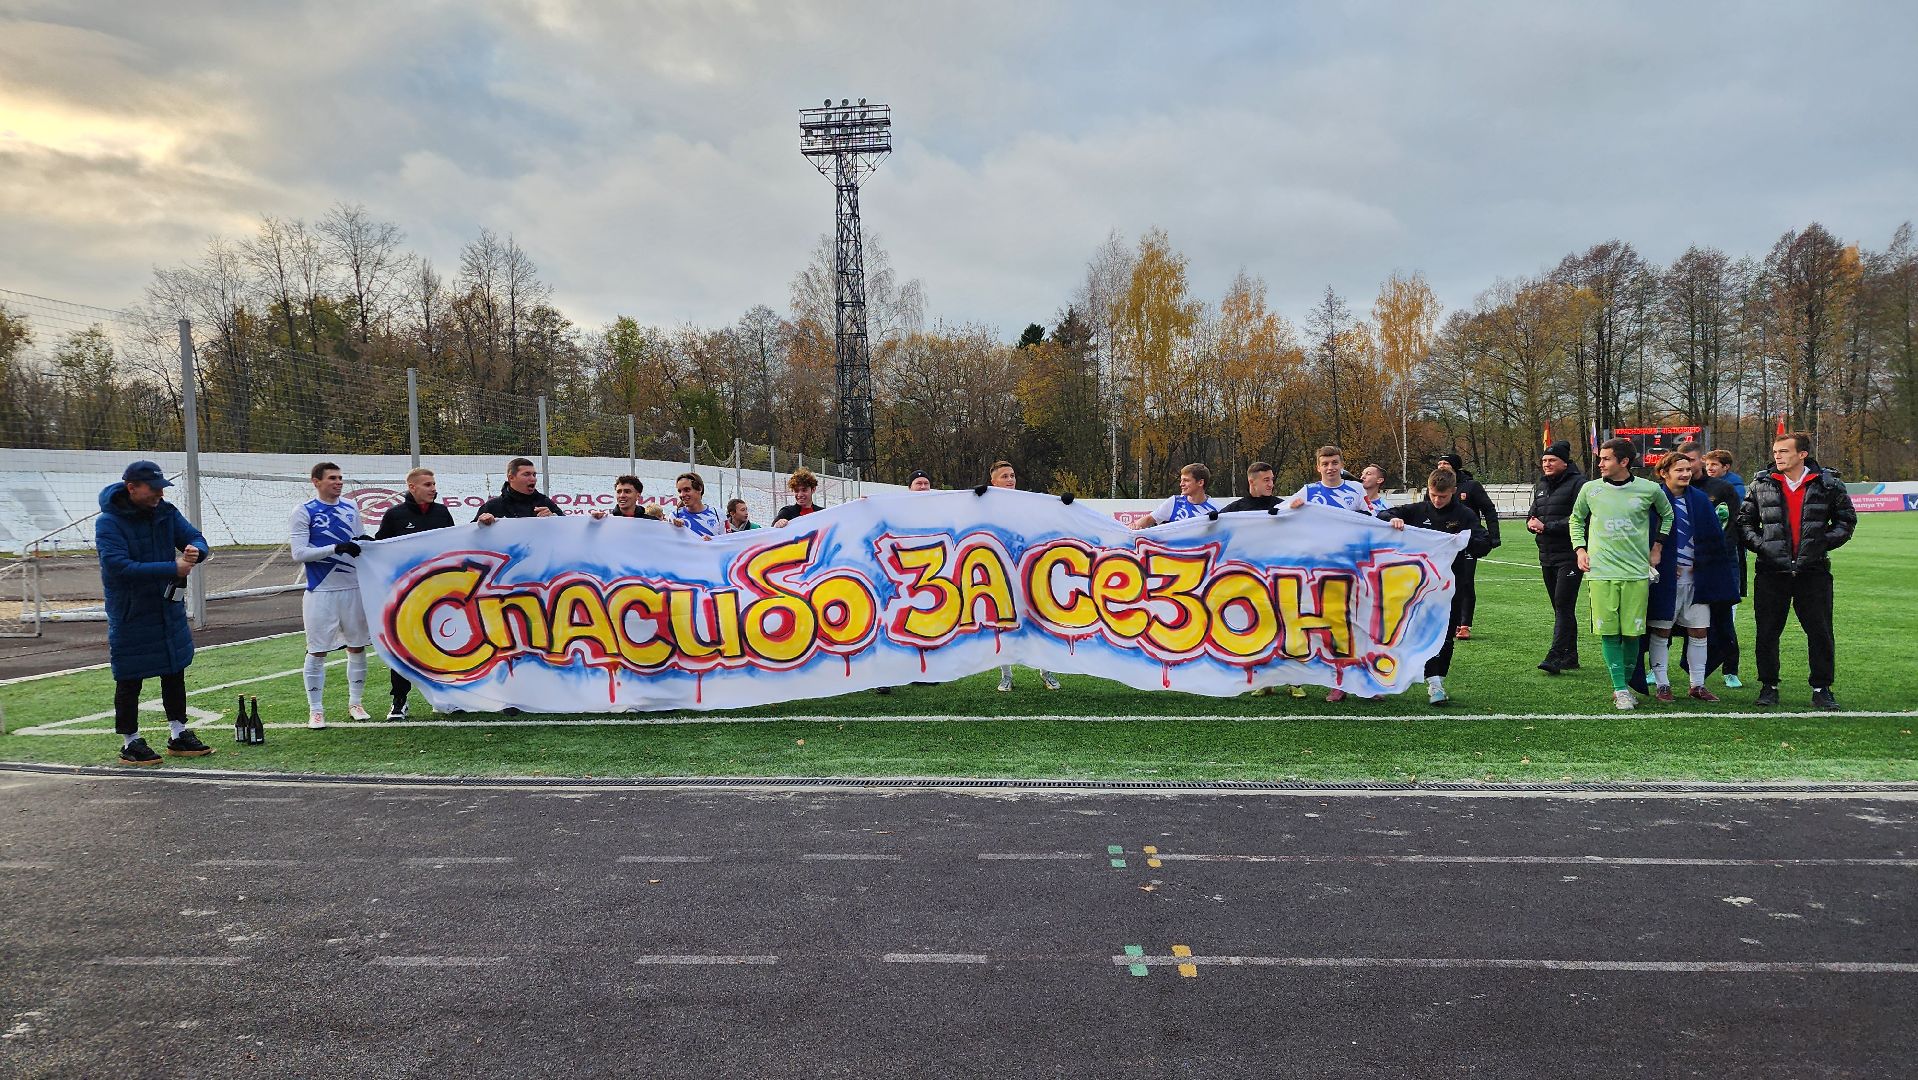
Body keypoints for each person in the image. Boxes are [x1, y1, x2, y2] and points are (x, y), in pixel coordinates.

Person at [96, 460, 214, 765]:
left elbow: (196, 537)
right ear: (132, 487)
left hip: (166, 605)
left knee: (174, 668)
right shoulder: (108, 522)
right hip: (132, 610)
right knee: (129, 675)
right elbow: (118, 566)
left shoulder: (166, 511)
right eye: (153, 488)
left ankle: (179, 734)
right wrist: (171, 567)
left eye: (162, 488)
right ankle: (130, 741)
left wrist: (195, 550)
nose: (159, 494)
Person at [1737, 431, 1856, 710]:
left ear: (1802, 454)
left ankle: (1821, 688)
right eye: (1776, 451)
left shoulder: (1828, 484)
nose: (1777, 456)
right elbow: (1744, 523)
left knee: (1820, 632)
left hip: (1813, 571)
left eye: (1784, 451)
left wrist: (1821, 543)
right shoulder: (1760, 483)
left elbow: (1846, 520)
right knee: (1767, 632)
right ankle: (1769, 686)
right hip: (1770, 571)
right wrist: (1764, 547)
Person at [1569, 437, 1670, 711]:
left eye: (1606, 459)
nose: (1600, 463)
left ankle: (1624, 684)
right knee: (1609, 633)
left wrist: (1657, 547)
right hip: (1600, 572)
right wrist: (1580, 550)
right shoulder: (1590, 489)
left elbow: (1668, 515)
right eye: (1600, 458)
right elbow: (1576, 519)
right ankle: (1620, 688)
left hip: (1636, 573)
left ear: (1624, 462)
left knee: (1632, 634)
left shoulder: (1649, 489)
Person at [1381, 469, 1492, 706]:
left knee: (1446, 634)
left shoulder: (1465, 515)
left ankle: (1436, 682)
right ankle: (1415, 674)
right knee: (1413, 631)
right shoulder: (1417, 510)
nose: (1436, 500)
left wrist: (1465, 540)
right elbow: (1382, 514)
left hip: (1452, 584)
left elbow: (1484, 543)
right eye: (1432, 495)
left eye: (1442, 496)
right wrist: (1393, 518)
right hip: (1419, 586)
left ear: (1453, 491)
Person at [1646, 452, 1738, 703]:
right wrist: (1664, 564)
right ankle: (1662, 684)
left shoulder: (1699, 500)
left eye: (1688, 469)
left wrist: (1705, 567)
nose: (1686, 474)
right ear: (1664, 473)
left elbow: (1713, 539)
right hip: (1664, 580)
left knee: (1700, 631)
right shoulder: (1652, 500)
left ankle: (1697, 684)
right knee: (1661, 631)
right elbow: (1643, 536)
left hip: (1697, 580)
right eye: (1679, 470)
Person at [291, 462, 373, 729]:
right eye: (332, 478)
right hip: (321, 590)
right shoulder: (304, 511)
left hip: (353, 588)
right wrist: (336, 548)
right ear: (316, 481)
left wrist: (366, 541)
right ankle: (316, 710)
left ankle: (356, 703)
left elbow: (358, 538)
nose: (338, 482)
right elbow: (299, 553)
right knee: (317, 651)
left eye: (340, 478)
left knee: (357, 645)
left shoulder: (351, 507)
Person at [373, 467, 455, 719]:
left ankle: (444, 696)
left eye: (434, 483)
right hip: (406, 594)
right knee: (402, 646)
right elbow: (379, 548)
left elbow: (454, 544)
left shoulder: (442, 513)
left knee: (445, 643)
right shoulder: (395, 515)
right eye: (428, 484)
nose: (433, 488)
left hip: (438, 592)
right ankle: (399, 700)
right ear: (412, 487)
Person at [986, 460, 1060, 692]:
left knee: (1038, 621)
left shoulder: (1027, 502)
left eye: (1012, 475)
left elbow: (1050, 515)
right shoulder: (984, 504)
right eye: (1005, 476)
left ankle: (1046, 671)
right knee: (1003, 623)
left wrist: (1065, 505)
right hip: (999, 572)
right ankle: (1006, 675)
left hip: (1028, 571)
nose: (1010, 480)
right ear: (993, 481)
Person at [1526, 440, 1587, 675]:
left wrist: (1548, 526)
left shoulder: (1579, 484)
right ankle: (1570, 656)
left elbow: (1580, 518)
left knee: (1563, 604)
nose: (1546, 464)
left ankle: (1556, 656)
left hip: (1571, 554)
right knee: (1561, 607)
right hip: (1546, 554)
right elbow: (1535, 512)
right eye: (1544, 461)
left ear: (1564, 462)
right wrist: (1531, 523)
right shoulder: (1541, 486)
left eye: (1551, 460)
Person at [1435, 453, 1502, 640]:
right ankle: (1448, 622)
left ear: (1455, 467)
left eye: (1445, 463)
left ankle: (1464, 625)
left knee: (1465, 582)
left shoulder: (1471, 486)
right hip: (1443, 543)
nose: (1441, 465)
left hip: (1467, 542)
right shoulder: (1434, 486)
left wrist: (1493, 536)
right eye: (1439, 462)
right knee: (1441, 582)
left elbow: (1488, 509)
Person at [1701, 449, 1748, 688]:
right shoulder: (1696, 487)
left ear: (1726, 467)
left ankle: (1731, 669)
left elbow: (1735, 526)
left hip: (1727, 561)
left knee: (1725, 618)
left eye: (1714, 464)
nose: (1709, 468)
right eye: (1707, 464)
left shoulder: (1732, 489)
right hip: (1701, 562)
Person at [476, 457, 564, 522]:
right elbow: (471, 535)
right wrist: (481, 524)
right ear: (511, 478)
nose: (533, 479)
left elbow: (567, 526)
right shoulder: (493, 506)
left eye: (534, 475)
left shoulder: (544, 502)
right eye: (527, 474)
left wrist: (553, 518)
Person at [1135, 463, 1220, 527]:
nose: (1181, 484)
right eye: (1181, 480)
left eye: (1186, 480)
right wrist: (1132, 529)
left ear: (1200, 482)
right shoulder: (1174, 502)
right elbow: (1149, 519)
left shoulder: (1217, 509)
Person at [1288, 446, 1369, 512]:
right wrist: (1292, 507)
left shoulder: (1357, 488)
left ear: (1342, 465)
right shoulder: (1308, 491)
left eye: (1335, 463)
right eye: (1325, 464)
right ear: (1318, 468)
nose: (1330, 468)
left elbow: (1372, 518)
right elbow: (1281, 510)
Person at [671, 472, 721, 537]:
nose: (682, 495)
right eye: (680, 491)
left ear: (699, 489)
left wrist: (711, 543)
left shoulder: (718, 515)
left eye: (687, 490)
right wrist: (677, 530)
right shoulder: (674, 516)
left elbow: (726, 543)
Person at [590, 475, 660, 521]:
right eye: (619, 492)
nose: (622, 495)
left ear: (638, 496)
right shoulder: (606, 520)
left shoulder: (652, 522)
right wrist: (592, 522)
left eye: (627, 492)